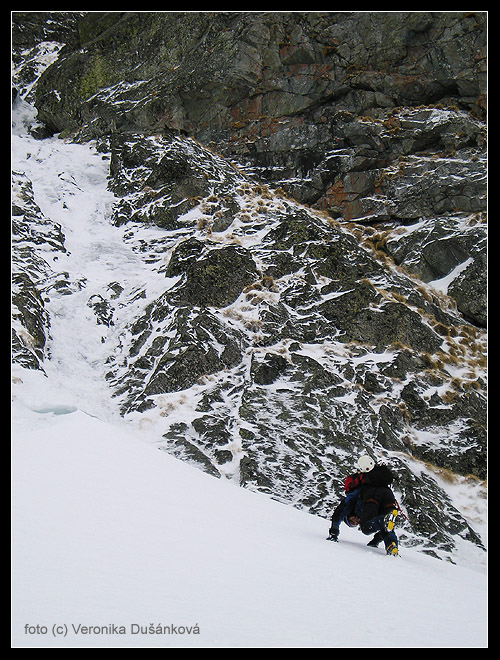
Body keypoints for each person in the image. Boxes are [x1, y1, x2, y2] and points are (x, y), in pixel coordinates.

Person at [327, 454, 400, 556]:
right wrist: (374, 542)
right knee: (386, 523)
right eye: (355, 523)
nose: (356, 520)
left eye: (352, 520)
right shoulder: (375, 479)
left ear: (349, 515)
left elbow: (341, 510)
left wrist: (334, 531)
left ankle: (384, 526)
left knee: (366, 528)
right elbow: (385, 527)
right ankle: (392, 546)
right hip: (387, 495)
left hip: (372, 496)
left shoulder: (356, 498)